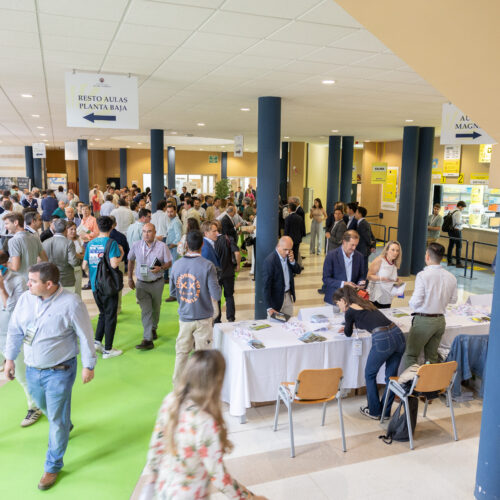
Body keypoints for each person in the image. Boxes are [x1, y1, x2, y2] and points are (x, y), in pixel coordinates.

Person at [4, 262, 96, 491]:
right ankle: (64, 424)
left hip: (60, 371)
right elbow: (15, 330)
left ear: (49, 284)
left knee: (55, 419)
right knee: (45, 407)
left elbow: (85, 335)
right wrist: (9, 358)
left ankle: (52, 465)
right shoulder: (25, 299)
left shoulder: (71, 303)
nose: (28, 284)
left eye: (33, 281)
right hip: (32, 369)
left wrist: (88, 365)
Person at [143, 350, 265, 500]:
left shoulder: (170, 401)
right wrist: (250, 498)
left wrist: (152, 477)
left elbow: (156, 446)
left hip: (163, 490)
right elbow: (220, 478)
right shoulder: (205, 422)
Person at [333, 286, 406, 420]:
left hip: (383, 339)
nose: (339, 307)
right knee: (391, 377)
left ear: (343, 300)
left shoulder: (349, 312)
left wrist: (348, 325)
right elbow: (368, 320)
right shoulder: (367, 303)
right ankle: (385, 412)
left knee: (370, 374)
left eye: (338, 304)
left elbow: (348, 333)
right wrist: (353, 324)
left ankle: (374, 411)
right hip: (398, 334)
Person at [169, 230, 221, 386]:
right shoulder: (208, 266)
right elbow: (217, 294)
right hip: (203, 317)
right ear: (202, 244)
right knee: (203, 356)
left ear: (186, 245)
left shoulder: (176, 265)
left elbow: (173, 292)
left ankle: (178, 388)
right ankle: (202, 387)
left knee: (181, 353)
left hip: (185, 316)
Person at [0, 252, 42, 428]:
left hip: (12, 335)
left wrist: (2, 288)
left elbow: (13, 310)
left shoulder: (18, 280)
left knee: (21, 375)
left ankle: (35, 407)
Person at [404, 242, 458, 368]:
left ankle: (411, 380)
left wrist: (411, 304)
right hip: (440, 321)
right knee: (431, 356)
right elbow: (453, 300)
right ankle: (430, 380)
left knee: (411, 355)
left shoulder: (423, 275)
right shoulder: (451, 277)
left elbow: (416, 301)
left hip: (424, 321)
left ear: (427, 256)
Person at [82, 216, 124, 359]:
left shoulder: (90, 243)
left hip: (95, 285)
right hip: (108, 285)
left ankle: (97, 342)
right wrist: (121, 255)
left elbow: (84, 265)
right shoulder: (111, 243)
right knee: (111, 316)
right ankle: (108, 349)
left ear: (98, 227)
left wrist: (94, 272)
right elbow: (114, 264)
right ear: (112, 227)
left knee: (102, 313)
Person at [128, 223, 172, 350]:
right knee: (146, 310)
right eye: (144, 231)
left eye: (149, 231)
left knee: (156, 308)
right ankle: (147, 339)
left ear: (155, 232)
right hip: (141, 283)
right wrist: (130, 278)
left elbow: (169, 262)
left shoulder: (162, 246)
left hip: (157, 282)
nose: (146, 234)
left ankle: (153, 328)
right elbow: (130, 260)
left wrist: (161, 267)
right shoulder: (136, 245)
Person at [321, 230, 366, 304]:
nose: (354, 248)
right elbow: (326, 279)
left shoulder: (359, 256)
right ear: (344, 242)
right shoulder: (331, 256)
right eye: (352, 245)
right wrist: (344, 283)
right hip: (334, 299)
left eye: (356, 245)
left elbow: (361, 275)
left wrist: (361, 282)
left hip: (351, 299)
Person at [262, 236, 301, 317]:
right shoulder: (270, 261)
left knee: (289, 320)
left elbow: (298, 271)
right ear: (278, 246)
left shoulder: (289, 257)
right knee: (275, 323)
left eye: (289, 250)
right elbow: (266, 286)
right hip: (275, 300)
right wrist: (269, 307)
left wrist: (293, 261)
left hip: (288, 296)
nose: (287, 252)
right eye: (285, 249)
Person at [5, 212, 47, 280]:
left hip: (20, 281)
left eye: (7, 223)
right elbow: (45, 259)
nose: (5, 226)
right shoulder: (35, 238)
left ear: (16, 222)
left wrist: (5, 263)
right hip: (32, 279)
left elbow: (15, 267)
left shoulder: (13, 241)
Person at [42, 219, 81, 293]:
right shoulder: (68, 243)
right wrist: (79, 261)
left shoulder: (45, 242)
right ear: (66, 229)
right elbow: (73, 262)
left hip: (50, 278)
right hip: (66, 278)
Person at [214, 220, 240, 323]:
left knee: (217, 297)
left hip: (216, 273)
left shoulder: (211, 241)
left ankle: (217, 319)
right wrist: (238, 265)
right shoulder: (228, 238)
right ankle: (231, 318)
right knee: (229, 296)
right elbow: (237, 253)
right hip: (229, 272)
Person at [367, 241, 403, 309]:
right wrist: (381, 278)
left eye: (397, 250)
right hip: (376, 297)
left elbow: (390, 276)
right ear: (387, 250)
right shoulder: (379, 260)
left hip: (387, 297)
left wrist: (398, 280)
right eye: (393, 250)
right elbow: (369, 276)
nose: (395, 253)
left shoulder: (394, 262)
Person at [354, 206, 376, 273]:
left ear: (360, 214)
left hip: (363, 250)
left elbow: (368, 237)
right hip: (361, 249)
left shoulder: (363, 224)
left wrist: (371, 244)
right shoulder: (361, 223)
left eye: (356, 212)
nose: (355, 214)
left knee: (363, 268)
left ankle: (364, 279)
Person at [66, 222, 84, 297]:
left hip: (77, 269)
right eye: (71, 229)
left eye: (75, 229)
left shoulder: (78, 239)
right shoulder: (64, 241)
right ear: (66, 230)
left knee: (77, 291)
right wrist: (77, 255)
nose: (73, 231)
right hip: (67, 270)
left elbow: (83, 255)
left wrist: (75, 254)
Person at [284, 202, 305, 267]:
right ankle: (295, 267)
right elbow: (302, 229)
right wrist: (300, 236)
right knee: (295, 254)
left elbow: (286, 230)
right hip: (297, 239)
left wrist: (285, 239)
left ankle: (290, 267)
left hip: (290, 240)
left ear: (290, 209)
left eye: (288, 208)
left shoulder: (287, 218)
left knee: (289, 254)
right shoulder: (299, 218)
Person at [447, 200, 466, 268]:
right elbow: (458, 222)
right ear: (460, 206)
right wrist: (463, 221)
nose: (463, 209)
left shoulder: (451, 211)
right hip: (456, 231)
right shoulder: (458, 212)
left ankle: (449, 261)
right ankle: (458, 263)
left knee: (451, 246)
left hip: (451, 230)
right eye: (463, 207)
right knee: (459, 247)